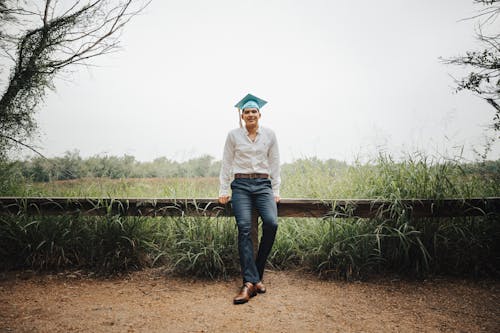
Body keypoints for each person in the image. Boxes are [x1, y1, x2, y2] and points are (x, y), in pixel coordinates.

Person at [218, 93, 280, 305]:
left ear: (259, 115)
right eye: (247, 112)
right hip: (241, 186)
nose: (251, 114)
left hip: (263, 185)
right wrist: (223, 189)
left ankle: (256, 276)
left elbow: (274, 163)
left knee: (271, 224)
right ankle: (249, 284)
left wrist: (276, 190)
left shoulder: (270, 135)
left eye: (254, 111)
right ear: (242, 116)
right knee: (245, 228)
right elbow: (226, 163)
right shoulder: (233, 135)